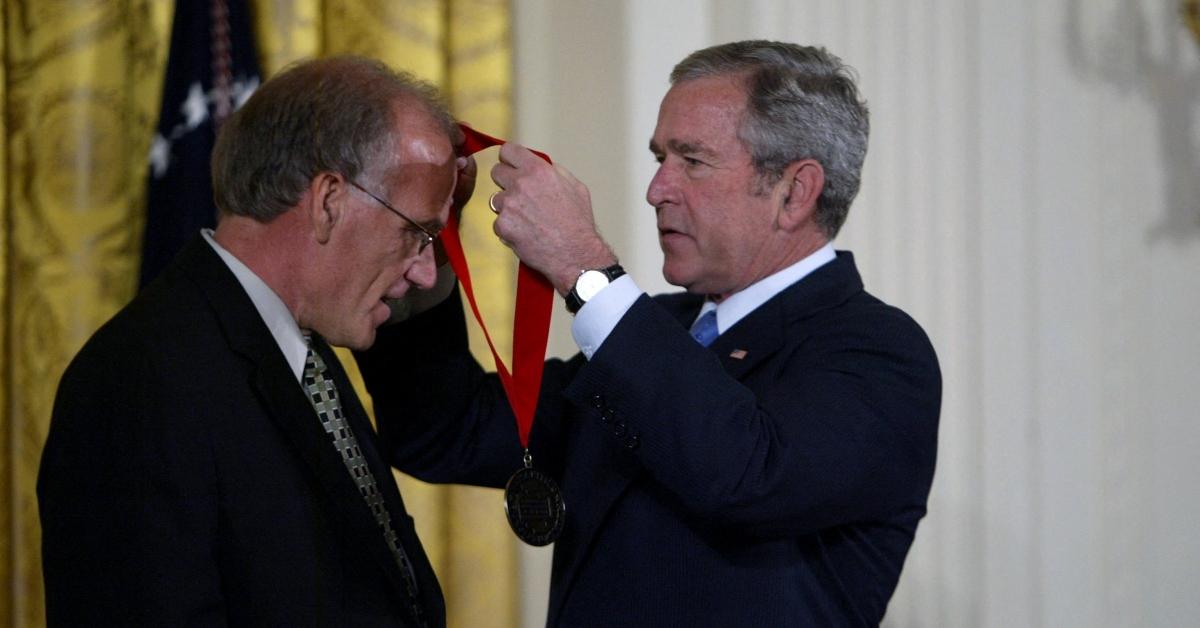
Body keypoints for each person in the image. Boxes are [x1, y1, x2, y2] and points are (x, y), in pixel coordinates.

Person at [359, 40, 941, 626]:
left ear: (795, 192)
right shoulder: (665, 329)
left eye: (692, 161)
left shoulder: (879, 353)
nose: (656, 189)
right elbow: (448, 433)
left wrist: (584, 270)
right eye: (661, 157)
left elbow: (745, 477)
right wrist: (423, 240)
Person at [37, 56, 471, 626]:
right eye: (416, 233)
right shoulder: (137, 382)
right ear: (329, 202)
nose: (424, 272)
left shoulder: (303, 353)